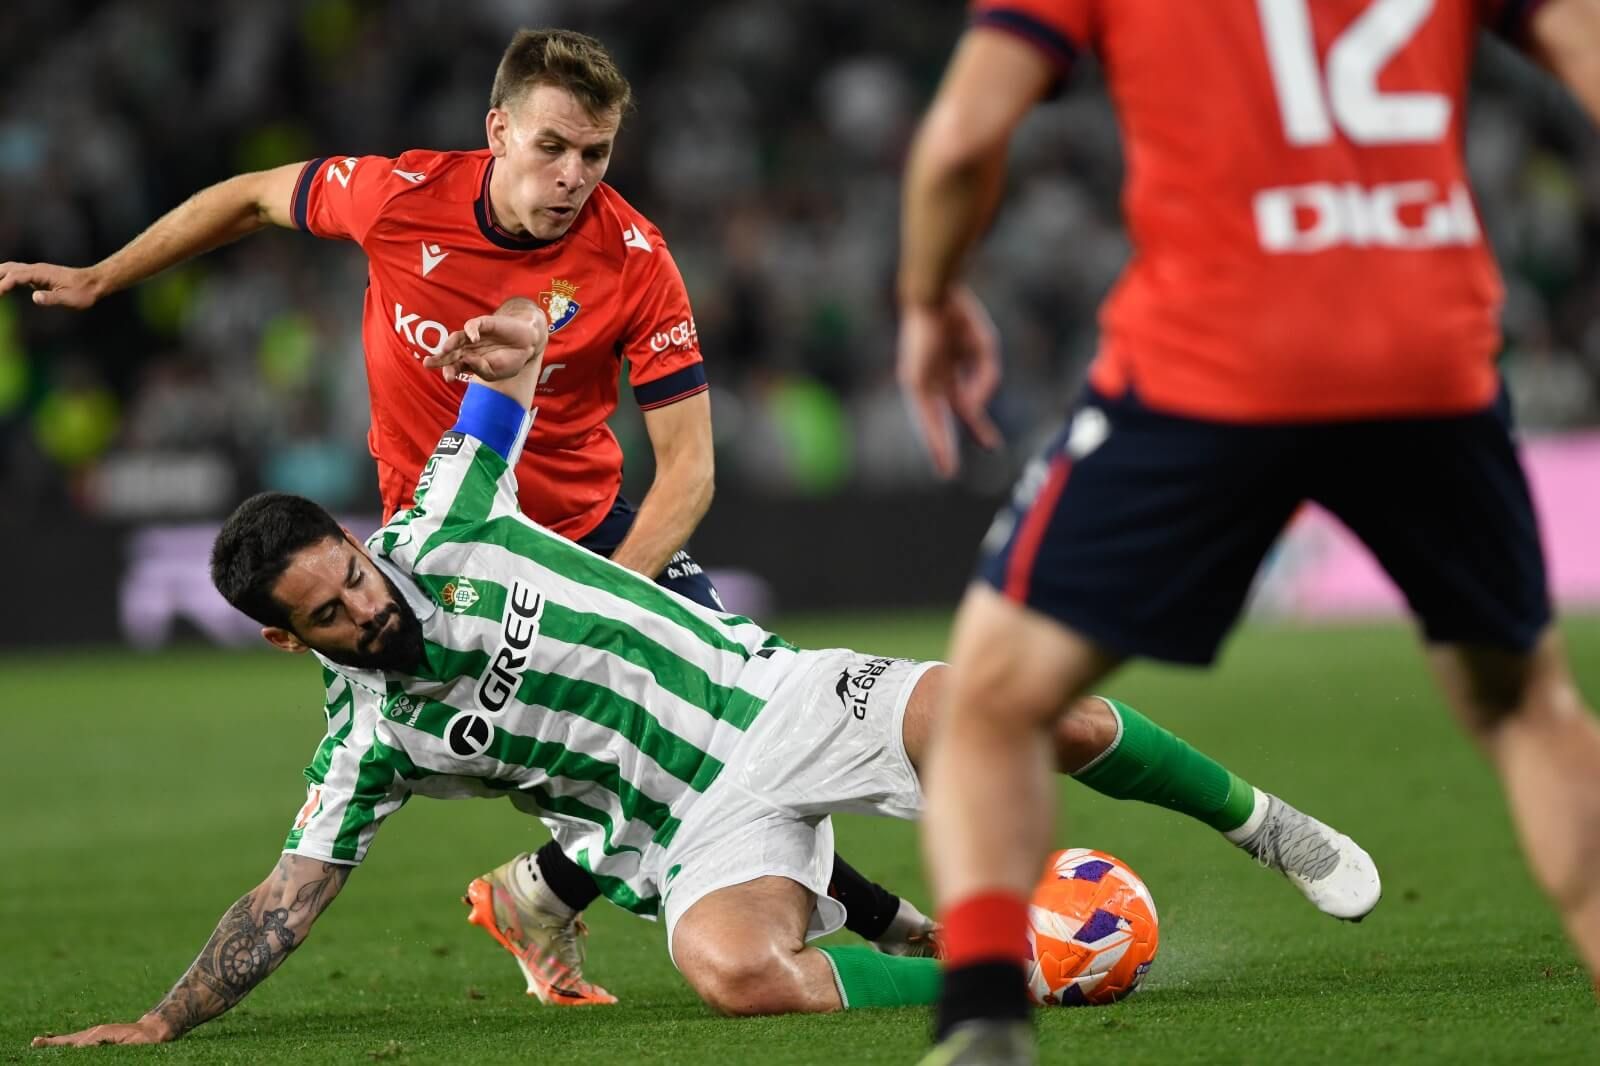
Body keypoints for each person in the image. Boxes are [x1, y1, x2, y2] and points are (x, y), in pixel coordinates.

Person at [32, 301, 1378, 1048]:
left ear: (360, 540)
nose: (367, 609)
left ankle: (1268, 825)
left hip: (776, 698)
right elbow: (285, 899)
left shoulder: (442, 518)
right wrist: (161, 1019)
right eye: (331, 617)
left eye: (356, 576)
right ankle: (1012, 969)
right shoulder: (368, 741)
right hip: (695, 830)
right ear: (292, 638)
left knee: (1040, 711)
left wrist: (510, 338)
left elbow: (514, 368)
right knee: (736, 975)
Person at [0, 27, 930, 1006]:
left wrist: (609, 606)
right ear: (497, 130)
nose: (575, 175)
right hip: (449, 546)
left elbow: (688, 471)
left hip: (595, 536)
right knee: (659, 758)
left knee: (710, 734)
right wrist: (103, 276)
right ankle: (876, 928)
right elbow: (248, 197)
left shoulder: (633, 257)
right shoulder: (399, 196)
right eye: (552, 147)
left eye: (596, 153)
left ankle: (552, 896)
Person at [894, 1, 1600, 1062]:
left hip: (1207, 364)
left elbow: (958, 140)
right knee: (1530, 710)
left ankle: (986, 1013)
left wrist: (927, 297)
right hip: (1426, 353)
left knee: (993, 697)